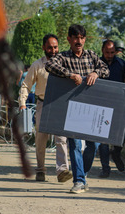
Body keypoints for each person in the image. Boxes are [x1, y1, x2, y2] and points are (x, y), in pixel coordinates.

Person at [45, 24, 109, 194]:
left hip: (92, 109)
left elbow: (105, 70)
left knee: (93, 145)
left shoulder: (92, 56)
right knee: (73, 144)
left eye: (81, 38)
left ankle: (83, 174)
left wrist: (96, 73)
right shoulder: (63, 57)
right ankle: (79, 181)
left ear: (85, 39)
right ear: (69, 39)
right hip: (72, 109)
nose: (78, 41)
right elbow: (50, 65)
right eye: (75, 38)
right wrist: (69, 75)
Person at [18, 34, 73, 182]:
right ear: (44, 48)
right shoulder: (37, 65)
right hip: (43, 103)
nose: (53, 50)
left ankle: (62, 171)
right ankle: (40, 170)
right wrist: (22, 102)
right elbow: (26, 85)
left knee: (61, 139)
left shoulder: (65, 64)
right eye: (50, 47)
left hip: (60, 104)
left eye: (55, 47)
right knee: (41, 139)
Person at [98, 40, 125, 178]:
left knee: (121, 136)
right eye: (107, 52)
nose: (109, 55)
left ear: (115, 51)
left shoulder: (122, 64)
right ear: (102, 50)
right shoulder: (96, 64)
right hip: (102, 106)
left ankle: (116, 154)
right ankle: (105, 168)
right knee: (103, 138)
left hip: (118, 106)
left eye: (112, 52)